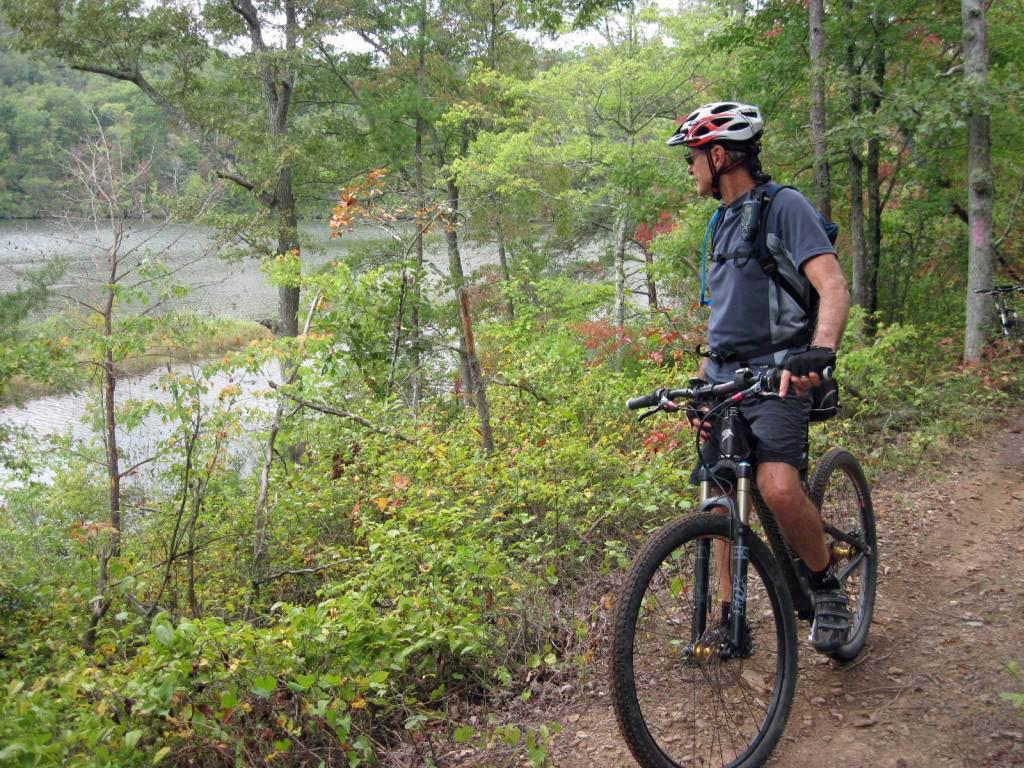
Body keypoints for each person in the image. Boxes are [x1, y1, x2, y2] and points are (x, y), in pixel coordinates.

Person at [668, 101, 852, 652]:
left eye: (695, 157)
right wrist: (702, 384)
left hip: (780, 375)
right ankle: (731, 617)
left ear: (719, 155)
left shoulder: (785, 206)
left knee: (776, 486)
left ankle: (825, 587)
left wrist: (819, 353)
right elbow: (721, 321)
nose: (691, 168)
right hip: (726, 376)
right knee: (721, 494)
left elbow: (834, 286)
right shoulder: (721, 224)